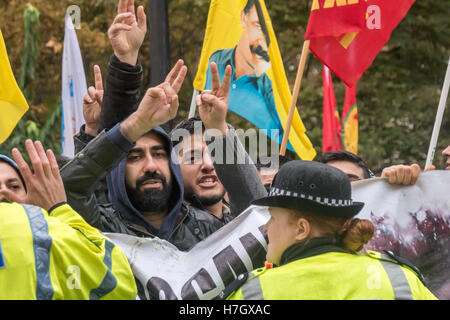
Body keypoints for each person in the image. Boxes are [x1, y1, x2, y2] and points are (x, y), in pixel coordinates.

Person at [219, 160, 437, 300]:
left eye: (273, 217)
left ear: (301, 229)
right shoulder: (399, 277)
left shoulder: (253, 292)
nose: (266, 227)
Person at [0, 140, 137, 299]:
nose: (4, 192)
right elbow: (118, 283)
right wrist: (58, 208)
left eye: (14, 186)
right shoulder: (54, 230)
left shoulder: (57, 245)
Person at [203, 0, 284, 143]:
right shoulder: (215, 60)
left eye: (266, 34)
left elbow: (281, 134)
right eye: (257, 26)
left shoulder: (267, 94)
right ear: (242, 18)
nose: (260, 40)